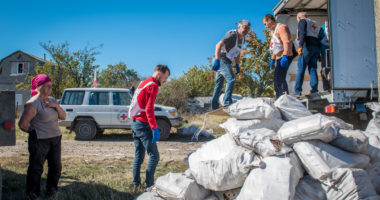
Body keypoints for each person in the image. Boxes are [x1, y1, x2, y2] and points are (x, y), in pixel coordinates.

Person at [18, 74, 66, 199]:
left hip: (55, 138)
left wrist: (56, 106)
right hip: (40, 140)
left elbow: (63, 117)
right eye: (47, 86)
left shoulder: (53, 100)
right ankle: (33, 194)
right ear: (39, 87)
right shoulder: (33, 103)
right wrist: (34, 132)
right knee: (36, 168)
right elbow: (22, 124)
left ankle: (52, 191)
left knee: (56, 166)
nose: (50, 88)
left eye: (51, 86)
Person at [129, 65, 170, 191]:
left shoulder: (144, 82)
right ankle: (149, 185)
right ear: (159, 73)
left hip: (135, 122)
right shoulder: (153, 85)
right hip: (142, 124)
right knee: (154, 156)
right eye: (165, 77)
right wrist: (154, 128)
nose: (165, 80)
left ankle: (136, 184)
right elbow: (149, 108)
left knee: (139, 155)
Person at [210, 20, 250, 110]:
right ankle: (227, 103)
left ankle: (214, 106)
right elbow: (218, 45)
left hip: (227, 61)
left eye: (248, 29)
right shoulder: (232, 35)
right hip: (221, 59)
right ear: (239, 27)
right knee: (231, 79)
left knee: (219, 84)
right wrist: (217, 60)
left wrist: (237, 64)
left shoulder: (243, 39)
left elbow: (238, 53)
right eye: (245, 28)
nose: (246, 31)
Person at [263, 14, 294, 99]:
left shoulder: (282, 28)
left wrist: (285, 56)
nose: (265, 26)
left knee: (279, 79)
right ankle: (281, 97)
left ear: (270, 20)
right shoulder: (273, 31)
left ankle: (283, 98)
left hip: (285, 56)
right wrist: (272, 59)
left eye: (265, 24)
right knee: (278, 79)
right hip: (278, 57)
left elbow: (286, 42)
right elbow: (275, 46)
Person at [294, 11, 320, 95]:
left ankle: (298, 91)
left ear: (299, 18)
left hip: (307, 47)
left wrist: (300, 46)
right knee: (313, 69)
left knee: (301, 68)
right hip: (315, 47)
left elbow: (302, 33)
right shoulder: (314, 23)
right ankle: (314, 89)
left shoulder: (302, 21)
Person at [318, 20, 330, 91]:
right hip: (325, 52)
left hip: (328, 52)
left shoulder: (324, 28)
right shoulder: (322, 28)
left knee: (326, 70)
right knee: (325, 70)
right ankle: (327, 87)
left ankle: (328, 87)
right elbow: (319, 40)